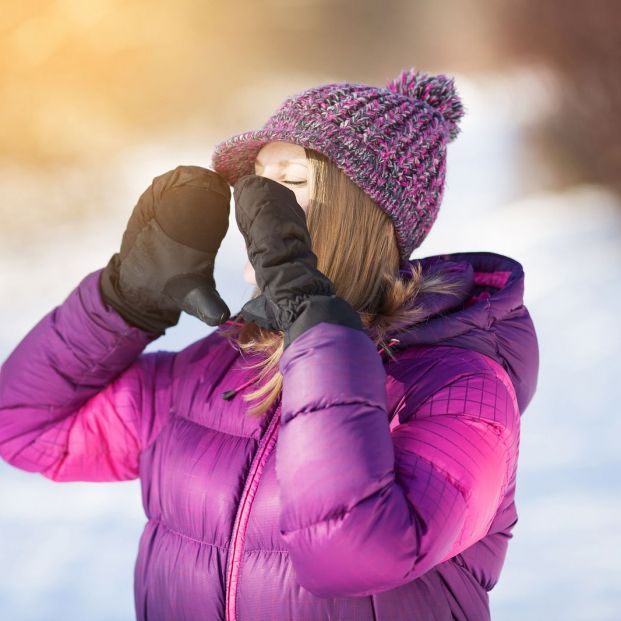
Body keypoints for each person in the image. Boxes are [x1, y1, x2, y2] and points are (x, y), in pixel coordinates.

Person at [0, 67, 539, 621]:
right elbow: (27, 425)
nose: (258, 206)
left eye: (292, 181)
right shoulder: (220, 367)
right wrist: (124, 299)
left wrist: (317, 326)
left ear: (360, 215)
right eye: (257, 180)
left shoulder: (464, 390)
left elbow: (354, 555)